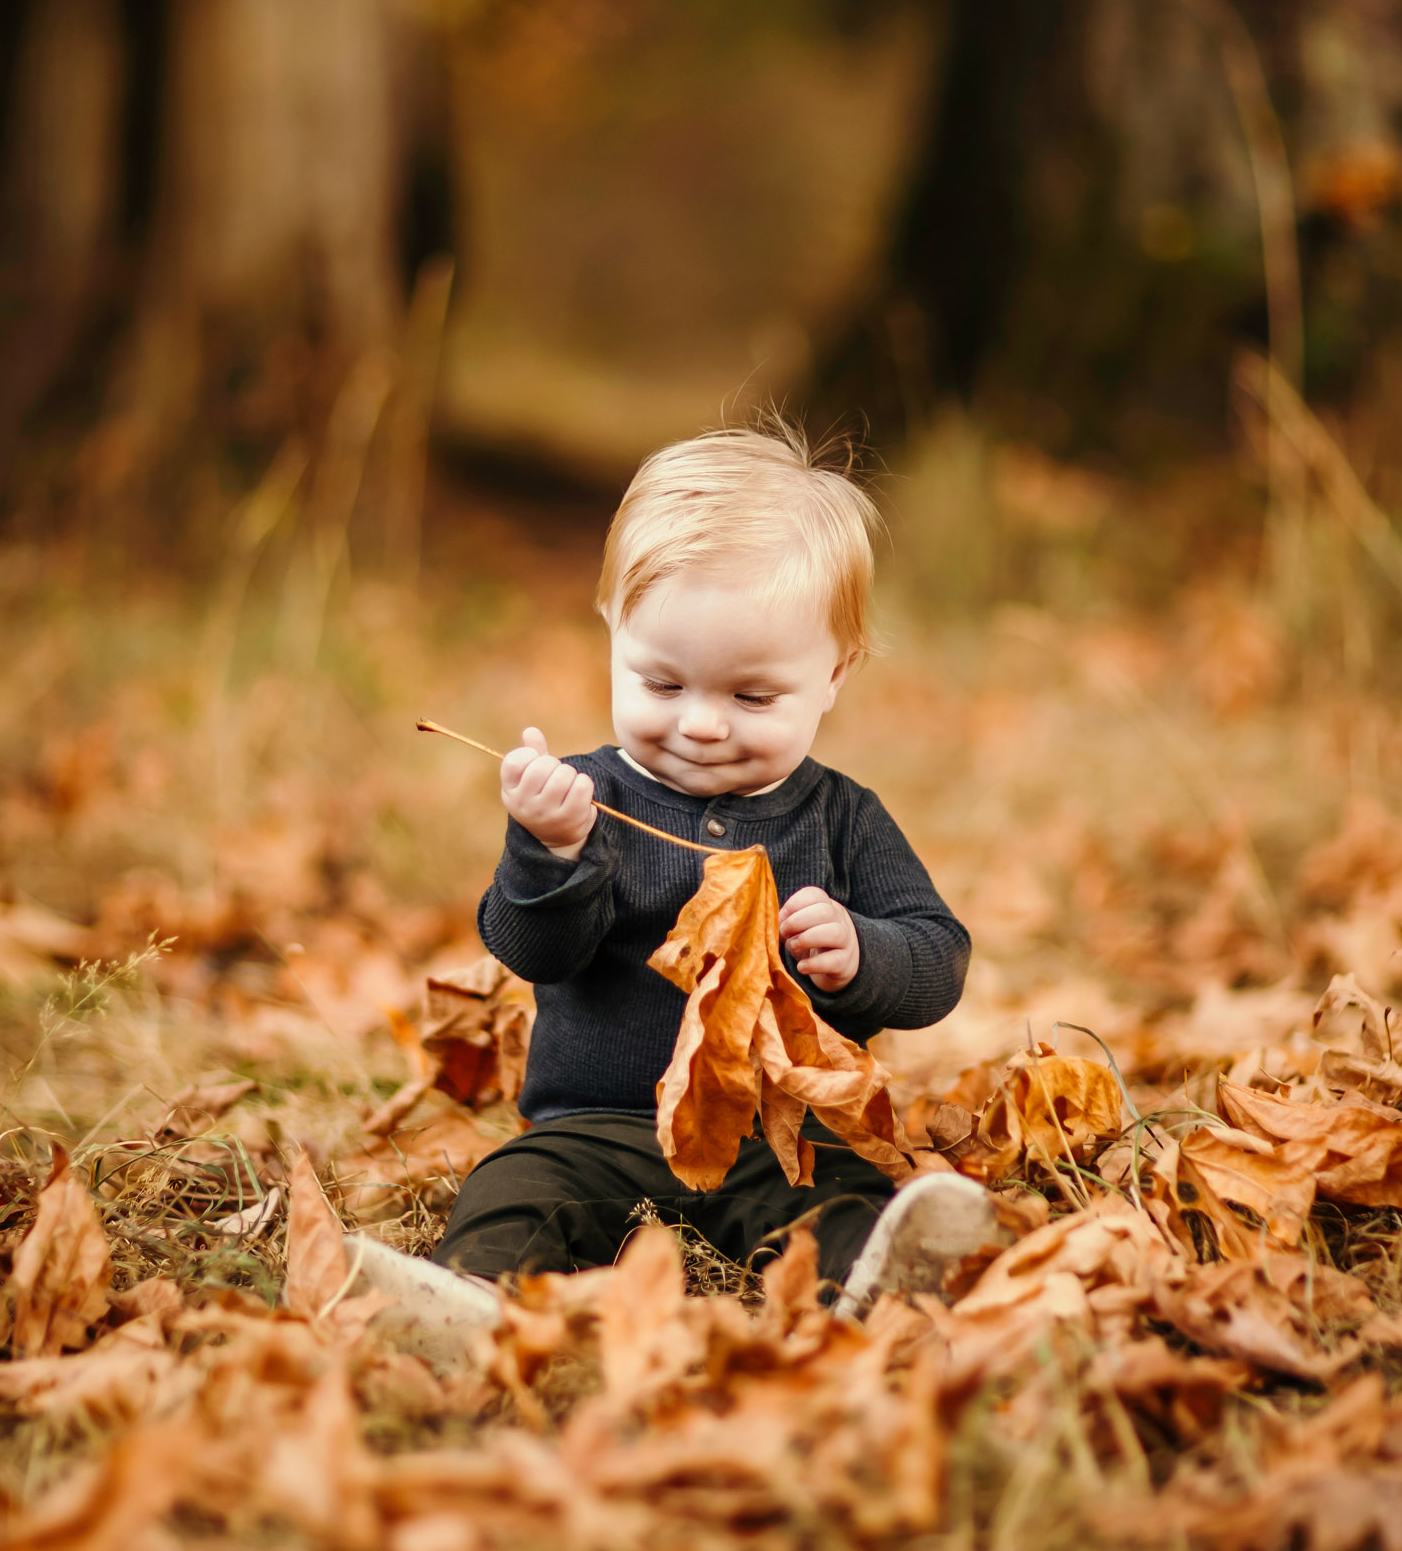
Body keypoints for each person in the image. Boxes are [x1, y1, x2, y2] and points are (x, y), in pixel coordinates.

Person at [339, 423, 999, 1349]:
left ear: (834, 674)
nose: (699, 726)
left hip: (779, 1136)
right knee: (516, 1188)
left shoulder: (843, 819)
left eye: (751, 698)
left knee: (841, 1195)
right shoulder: (581, 798)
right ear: (613, 633)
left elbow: (940, 957)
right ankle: (469, 1307)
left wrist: (864, 952)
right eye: (660, 683)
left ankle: (872, 1289)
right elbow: (533, 951)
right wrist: (551, 854)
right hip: (598, 1124)